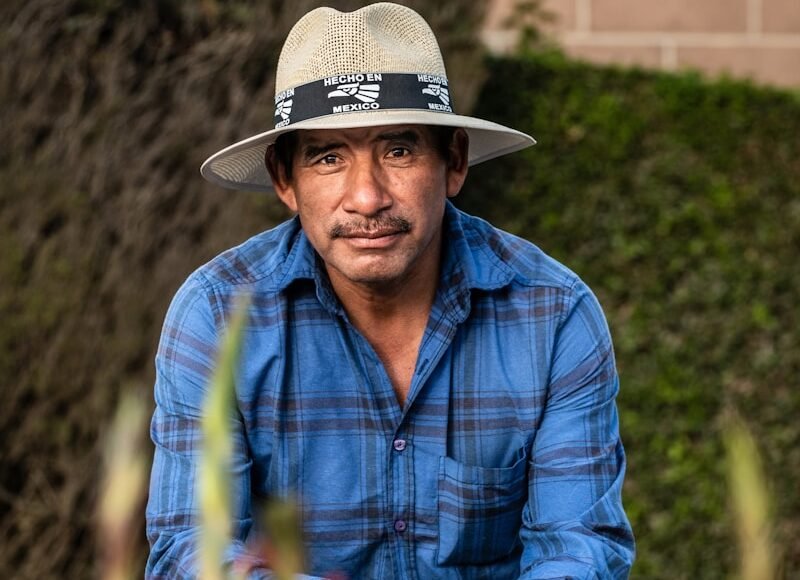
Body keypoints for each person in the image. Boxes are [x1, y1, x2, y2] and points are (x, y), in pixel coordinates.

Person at [146, 3, 635, 578]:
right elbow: (193, 551)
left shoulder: (551, 315)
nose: (367, 197)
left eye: (397, 151)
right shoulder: (216, 317)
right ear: (286, 181)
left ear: (453, 161)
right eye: (328, 157)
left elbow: (580, 548)